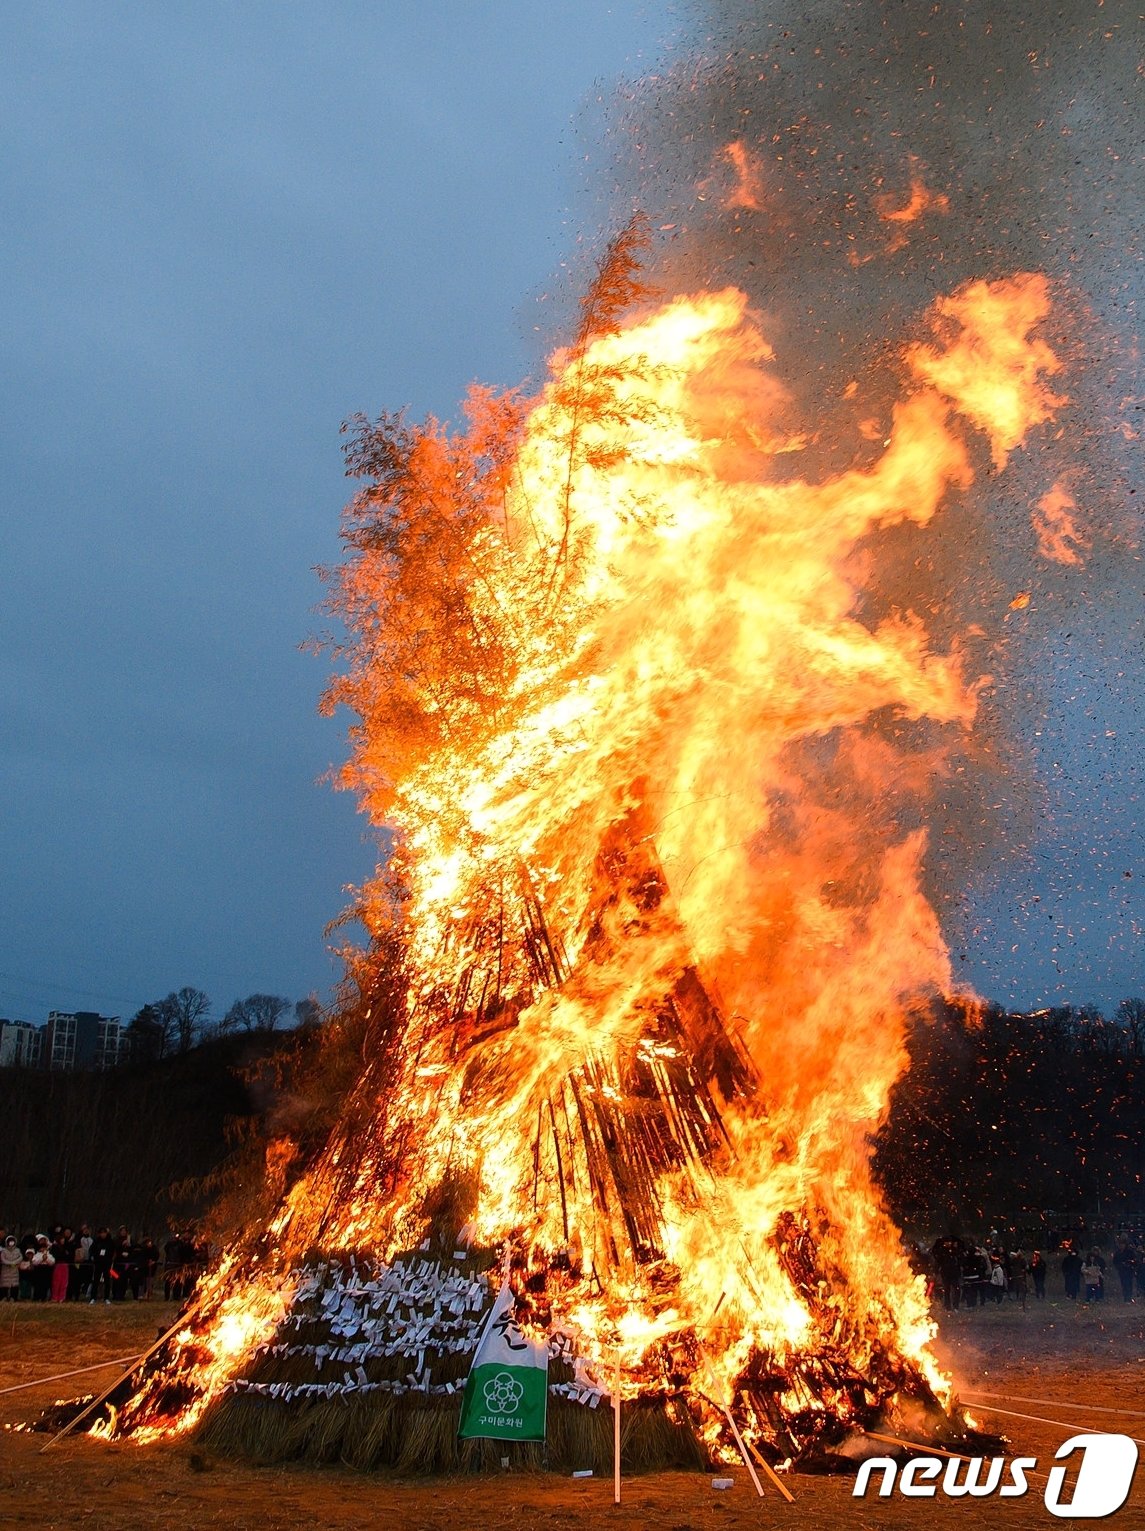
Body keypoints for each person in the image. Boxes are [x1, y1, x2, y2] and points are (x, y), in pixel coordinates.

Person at [28, 1236, 54, 1301]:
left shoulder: (49, 1255)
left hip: (46, 1270)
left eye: (44, 1248)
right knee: (37, 1285)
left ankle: (43, 1297)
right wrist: (42, 1259)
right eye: (42, 1248)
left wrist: (46, 1259)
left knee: (45, 1285)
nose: (43, 1249)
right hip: (38, 1270)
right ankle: (36, 1297)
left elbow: (52, 1262)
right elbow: (34, 1262)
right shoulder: (37, 1254)